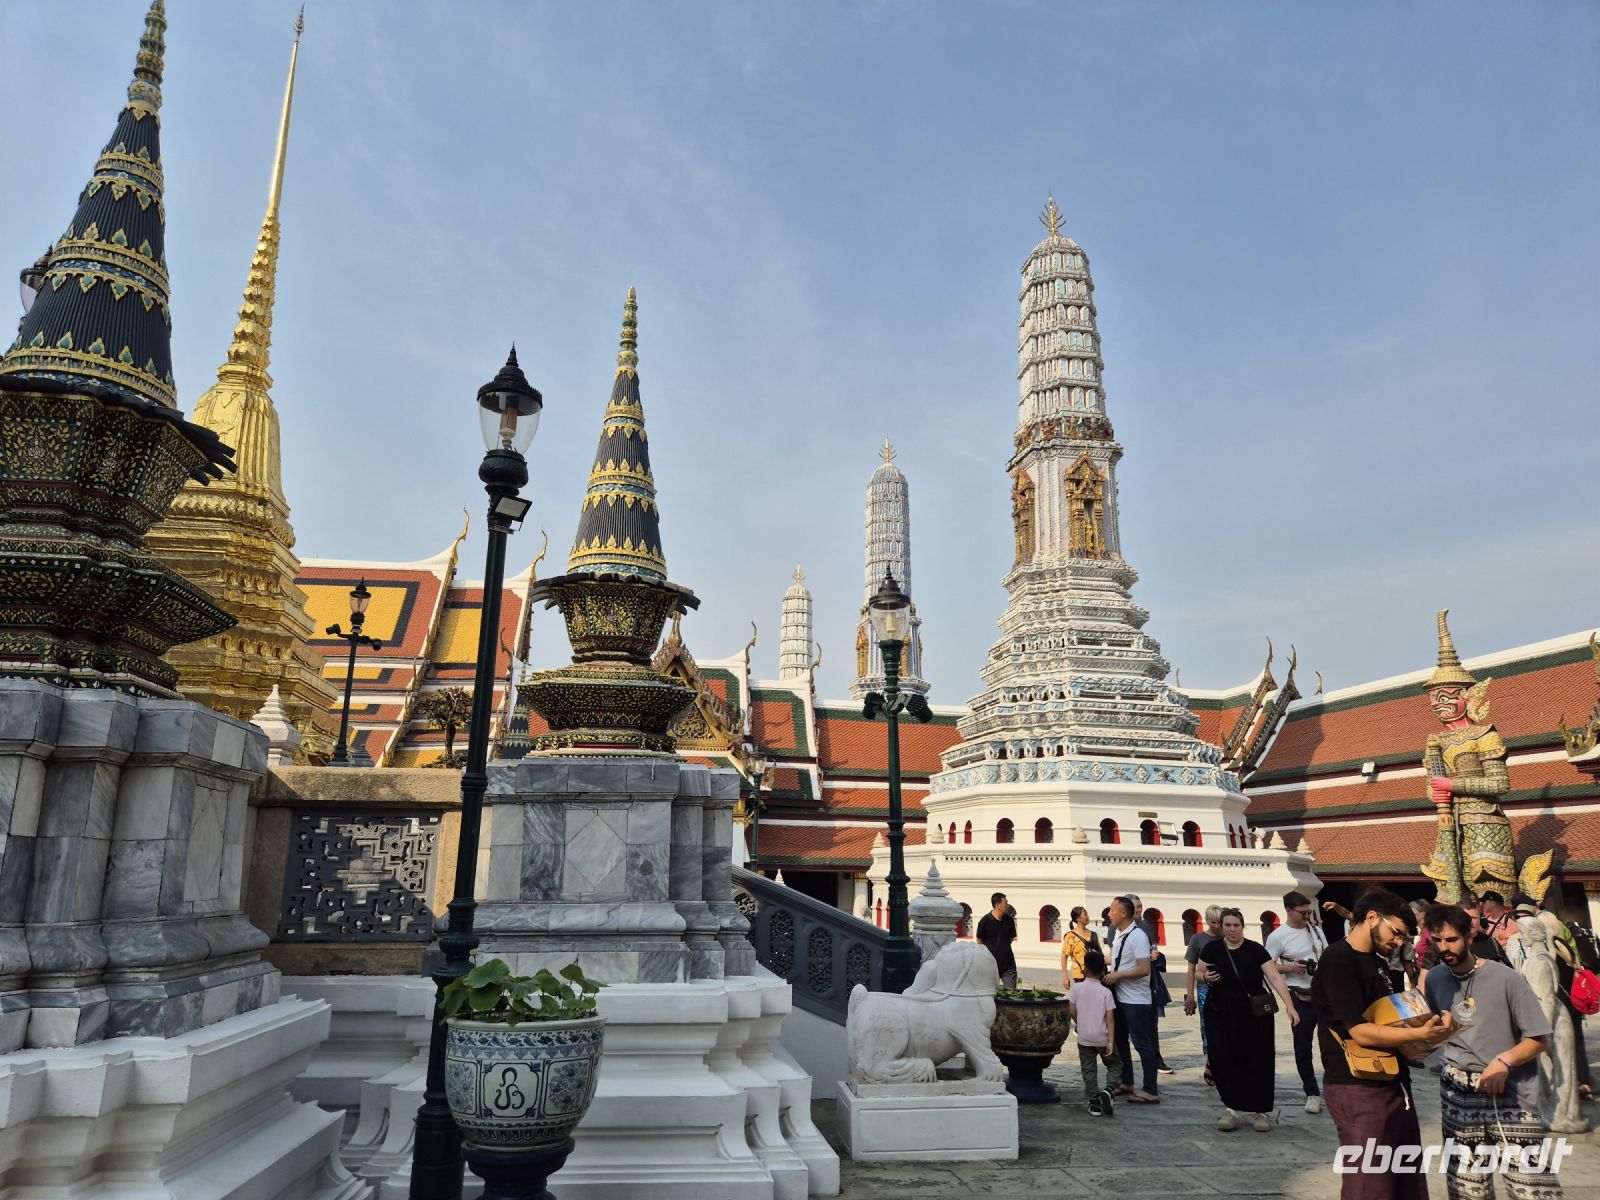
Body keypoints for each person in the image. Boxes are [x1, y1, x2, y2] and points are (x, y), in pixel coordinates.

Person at [1312, 888, 1449, 1200]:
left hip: (1392, 1081)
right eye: (1396, 932)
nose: (1399, 942)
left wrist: (1432, 1033)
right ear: (1372, 917)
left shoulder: (1378, 962)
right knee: (1369, 1184)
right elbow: (1359, 1031)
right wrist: (1417, 1034)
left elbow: (1392, 1024)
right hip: (1356, 1084)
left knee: (1405, 1179)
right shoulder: (1338, 960)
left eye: (1403, 937)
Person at [1424, 905, 1566, 1199]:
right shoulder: (1435, 979)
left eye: (1451, 940)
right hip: (1458, 1092)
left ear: (1470, 934)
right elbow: (1435, 1033)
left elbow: (1539, 1037)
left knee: (1531, 1187)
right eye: (1437, 940)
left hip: (1510, 1092)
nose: (1444, 948)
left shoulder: (1506, 978)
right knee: (1467, 1188)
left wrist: (1504, 1060)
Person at [1201, 908, 1298, 1132]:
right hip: (1221, 1012)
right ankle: (1231, 1108)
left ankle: (1261, 1110)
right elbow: (1199, 971)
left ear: (1242, 926)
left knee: (1257, 1058)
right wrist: (1205, 977)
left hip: (1254, 1014)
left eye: (1236, 925)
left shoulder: (1255, 950)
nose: (1232, 929)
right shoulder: (1212, 948)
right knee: (1224, 1058)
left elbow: (1274, 976)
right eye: (1228, 925)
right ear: (1221, 926)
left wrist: (1290, 1006)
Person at [1266, 890, 1329, 1115]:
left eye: (1309, 912)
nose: (1306, 916)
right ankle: (1312, 1093)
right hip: (1297, 994)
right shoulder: (1278, 936)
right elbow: (1267, 966)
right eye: (1302, 912)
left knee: (1331, 1044)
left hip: (1322, 993)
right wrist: (1291, 967)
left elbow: (1326, 956)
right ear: (1289, 910)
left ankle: (1334, 1088)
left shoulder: (1316, 931)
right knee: (1303, 1048)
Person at [1105, 895, 1160, 1103]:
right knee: (1120, 1040)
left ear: (1123, 913)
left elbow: (1144, 968)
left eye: (1112, 910)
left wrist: (1117, 975)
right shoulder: (1119, 935)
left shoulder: (1137, 936)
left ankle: (1150, 1089)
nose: (1109, 914)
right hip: (1121, 996)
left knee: (1142, 1043)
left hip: (1136, 999)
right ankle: (1126, 1080)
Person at [1127, 894, 1175, 1073]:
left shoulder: (1144, 926)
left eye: (1141, 906)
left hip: (1149, 980)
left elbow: (1151, 947)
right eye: (1136, 907)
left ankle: (1156, 1059)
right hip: (1129, 982)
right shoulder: (1118, 929)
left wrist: (1155, 955)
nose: (1139, 910)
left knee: (1151, 1024)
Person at [1070, 949, 1117, 1117]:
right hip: (1102, 1037)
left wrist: (1080, 1023)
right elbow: (1110, 1018)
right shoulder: (1106, 992)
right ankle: (1110, 1089)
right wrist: (1111, 1040)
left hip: (1084, 1036)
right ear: (1103, 971)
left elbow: (1072, 1010)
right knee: (1115, 1064)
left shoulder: (1077, 988)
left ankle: (1094, 1102)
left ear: (1085, 969)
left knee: (1088, 1070)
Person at [1185, 906, 1224, 1085]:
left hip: (1226, 987)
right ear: (1207, 921)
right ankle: (1211, 1061)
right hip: (1204, 989)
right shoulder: (1198, 939)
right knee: (1207, 1026)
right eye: (1213, 922)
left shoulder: (1228, 937)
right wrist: (1190, 996)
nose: (1216, 926)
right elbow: (1191, 969)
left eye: (1219, 922)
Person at [976, 892, 1018, 987]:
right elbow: (979, 941)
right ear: (998, 905)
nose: (1008, 906)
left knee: (1011, 994)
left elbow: (1011, 938)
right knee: (991, 994)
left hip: (1008, 965)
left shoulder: (1009, 920)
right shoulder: (984, 922)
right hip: (990, 965)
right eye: (1005, 903)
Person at [1060, 906, 1100, 992]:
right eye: (1085, 914)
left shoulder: (1093, 935)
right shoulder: (1071, 936)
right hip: (1080, 974)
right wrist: (1065, 977)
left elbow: (1099, 954)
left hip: (1095, 974)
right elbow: (1064, 957)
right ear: (1078, 918)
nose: (1087, 917)